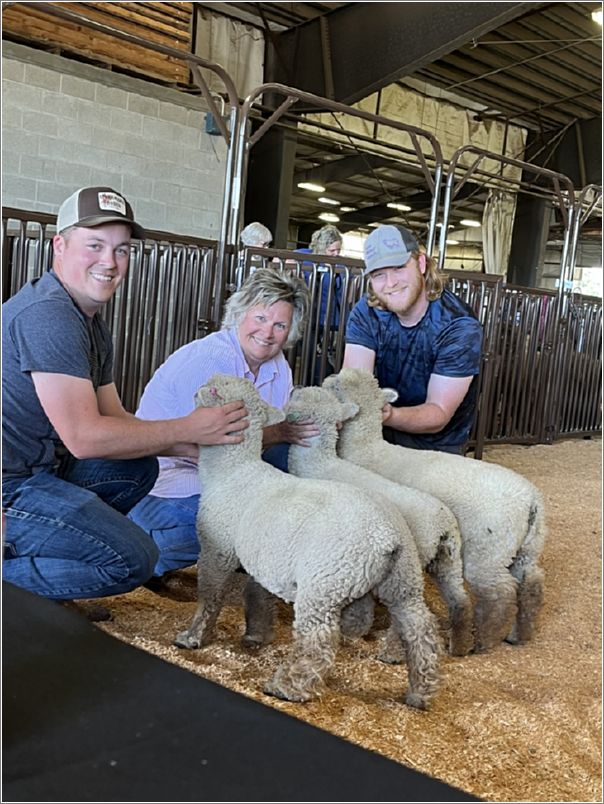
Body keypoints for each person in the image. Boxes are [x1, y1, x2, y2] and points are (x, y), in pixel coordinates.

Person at [2, 186, 249, 602]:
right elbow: (85, 438)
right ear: (58, 246)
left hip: (35, 471)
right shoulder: (48, 316)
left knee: (138, 468)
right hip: (9, 485)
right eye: (95, 245)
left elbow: (113, 415)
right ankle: (22, 585)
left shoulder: (90, 323)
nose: (110, 262)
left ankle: (49, 556)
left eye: (122, 250)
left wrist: (188, 445)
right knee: (132, 559)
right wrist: (190, 424)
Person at [127, 267, 318, 585]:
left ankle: (249, 552)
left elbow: (253, 441)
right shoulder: (210, 361)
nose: (267, 333)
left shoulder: (278, 367)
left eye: (280, 325)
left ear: (291, 331)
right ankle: (143, 555)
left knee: (293, 477)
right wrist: (279, 433)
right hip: (165, 482)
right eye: (260, 318)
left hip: (226, 474)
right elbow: (209, 450)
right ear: (240, 313)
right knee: (243, 521)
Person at [342, 223, 483, 454]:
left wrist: (387, 414)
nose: (390, 283)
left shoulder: (458, 325)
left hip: (437, 446)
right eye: (379, 274)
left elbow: (438, 413)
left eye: (398, 267)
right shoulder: (366, 312)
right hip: (376, 435)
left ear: (421, 263)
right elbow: (354, 382)